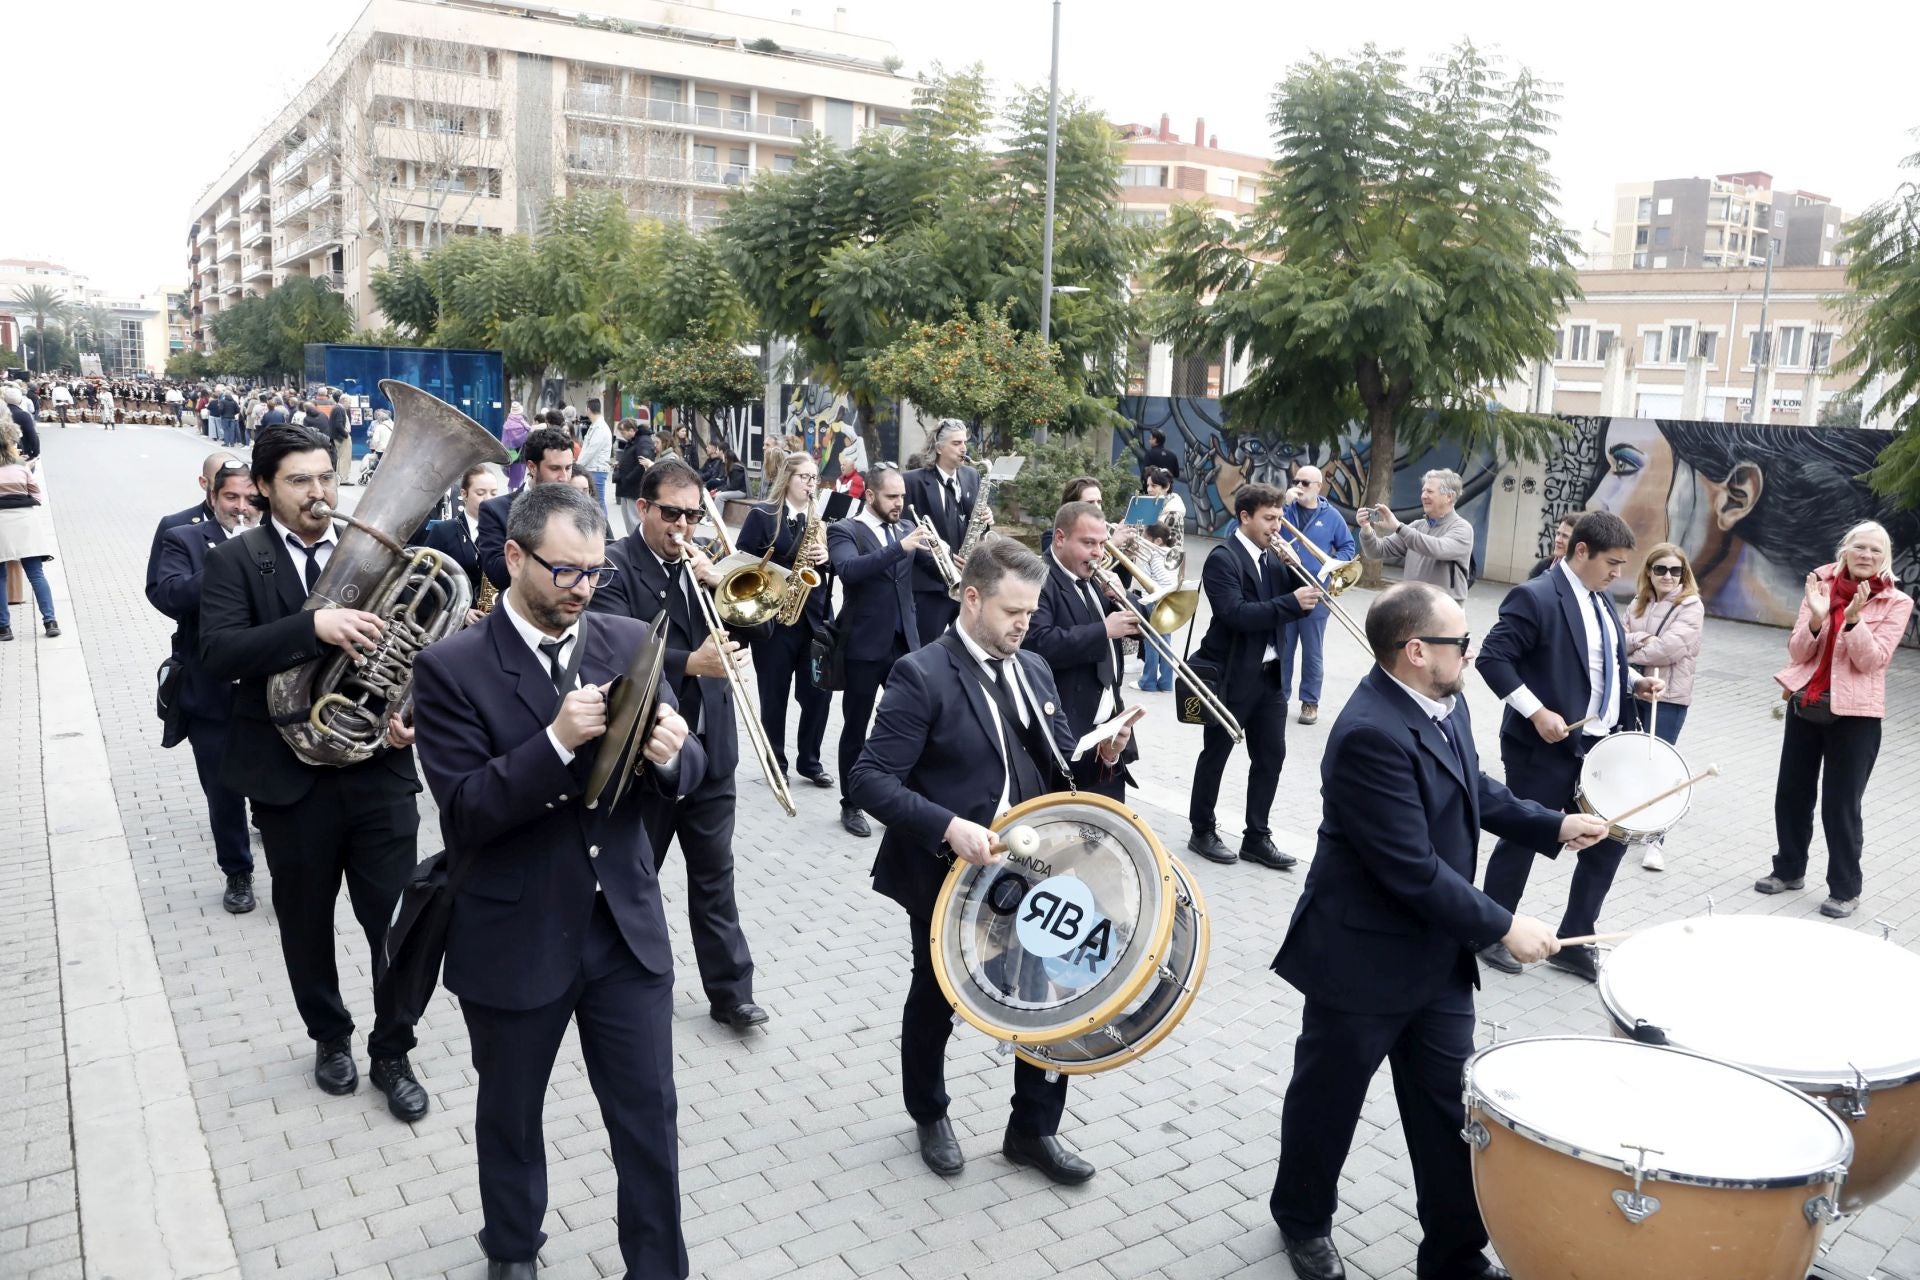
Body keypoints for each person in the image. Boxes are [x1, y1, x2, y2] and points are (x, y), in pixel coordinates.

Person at [1269, 581, 1605, 1280]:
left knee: (1451, 1117)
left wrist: (1553, 824)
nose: (1471, 653)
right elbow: (1410, 869)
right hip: (1359, 960)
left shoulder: (1445, 704)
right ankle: (1302, 1220)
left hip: (1435, 963)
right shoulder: (1368, 732)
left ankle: (1454, 1256)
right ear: (1417, 651)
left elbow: (1474, 787)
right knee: (1327, 1105)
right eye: (1460, 642)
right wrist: (1507, 924)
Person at [411, 483, 698, 1280]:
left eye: (593, 573)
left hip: (622, 933)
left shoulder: (625, 637)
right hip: (516, 930)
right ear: (512, 558)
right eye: (563, 572)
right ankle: (512, 1250)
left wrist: (677, 754)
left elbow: (690, 770)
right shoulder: (449, 668)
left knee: (649, 1117)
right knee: (510, 1113)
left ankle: (657, 1266)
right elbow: (466, 811)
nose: (580, 590)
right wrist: (555, 742)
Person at [848, 539, 1127, 1185]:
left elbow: (1062, 766)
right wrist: (948, 826)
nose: (1023, 624)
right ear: (971, 598)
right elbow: (869, 778)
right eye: (1012, 611)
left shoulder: (1032, 667)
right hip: (951, 873)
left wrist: (1104, 754)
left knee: (1054, 994)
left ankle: (1033, 1130)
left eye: (1030, 613)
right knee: (938, 995)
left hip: (1038, 866)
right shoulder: (920, 674)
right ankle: (930, 1113)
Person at [197, 425, 429, 1120]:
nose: (319, 492)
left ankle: (393, 1049)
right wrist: (315, 628)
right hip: (289, 781)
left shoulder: (384, 556)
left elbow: (422, 644)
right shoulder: (238, 561)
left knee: (396, 923)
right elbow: (218, 653)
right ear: (265, 488)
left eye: (326, 477)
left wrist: (411, 706)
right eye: (299, 480)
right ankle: (330, 1037)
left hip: (378, 769)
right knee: (304, 922)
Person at [590, 458, 769, 1030]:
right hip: (650, 754)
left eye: (692, 515)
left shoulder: (704, 565)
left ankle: (731, 992)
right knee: (635, 878)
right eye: (671, 514)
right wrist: (691, 662)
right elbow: (612, 647)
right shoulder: (614, 566)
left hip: (712, 749)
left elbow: (758, 629)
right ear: (642, 508)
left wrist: (722, 583)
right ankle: (617, 982)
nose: (683, 527)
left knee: (716, 876)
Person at [1475, 512, 1665, 984]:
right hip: (1542, 746)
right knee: (1525, 835)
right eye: (1613, 563)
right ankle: (1491, 932)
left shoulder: (1601, 598)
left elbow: (1603, 663)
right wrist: (1537, 712)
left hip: (1601, 749)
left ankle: (1576, 938)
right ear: (1581, 552)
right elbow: (1493, 658)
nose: (1619, 572)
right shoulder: (1536, 595)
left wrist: (1636, 682)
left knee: (1609, 843)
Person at [1584, 418, 1917, 628]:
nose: (1595, 501)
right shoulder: (1814, 601)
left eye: (1625, 465)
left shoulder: (1857, 602)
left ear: (1736, 496)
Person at [1758, 521, 1913, 918]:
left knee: (1841, 805)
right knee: (1791, 794)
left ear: (1885, 559)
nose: (1866, 555)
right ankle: (1788, 870)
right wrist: (1815, 618)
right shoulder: (1819, 584)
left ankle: (1845, 889)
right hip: (1807, 703)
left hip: (1856, 715)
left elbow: (1872, 661)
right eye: (1860, 547)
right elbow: (1797, 651)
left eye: (1876, 551)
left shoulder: (1896, 602)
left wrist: (1855, 622)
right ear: (1845, 549)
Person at [1186, 483, 1322, 868]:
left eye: (1280, 518)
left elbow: (1304, 605)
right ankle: (1202, 830)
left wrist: (1298, 568)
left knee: (1271, 756)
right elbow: (1236, 614)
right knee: (1216, 753)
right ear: (1245, 517)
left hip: (1269, 676)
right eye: (1269, 518)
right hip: (1231, 674)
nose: (1276, 526)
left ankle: (1257, 837)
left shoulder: (1275, 557)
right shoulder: (1223, 559)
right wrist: (1288, 602)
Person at [149, 461, 258, 911]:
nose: (240, 507)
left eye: (251, 500)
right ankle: (238, 872)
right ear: (213, 498)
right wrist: (228, 562)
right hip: (213, 692)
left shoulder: (276, 539)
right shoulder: (185, 538)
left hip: (269, 689)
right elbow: (166, 593)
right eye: (231, 497)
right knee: (223, 789)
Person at [827, 464, 927, 837]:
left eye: (902, 496)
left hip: (904, 644)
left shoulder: (905, 528)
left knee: (910, 722)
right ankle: (851, 803)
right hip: (864, 646)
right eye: (892, 496)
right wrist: (898, 547)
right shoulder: (845, 530)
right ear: (870, 496)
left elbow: (929, 571)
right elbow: (849, 570)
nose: (900, 503)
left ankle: (897, 798)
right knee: (855, 725)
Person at [1025, 501, 1141, 799]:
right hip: (1069, 730)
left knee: (1108, 828)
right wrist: (1104, 630)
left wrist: (1124, 596)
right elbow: (1037, 644)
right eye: (1088, 543)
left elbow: (1145, 627)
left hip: (1109, 731)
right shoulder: (1038, 578)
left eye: (1102, 543)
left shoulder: (1094, 578)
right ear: (1060, 538)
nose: (1098, 553)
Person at [735, 451, 834, 789]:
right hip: (776, 622)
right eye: (804, 477)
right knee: (773, 697)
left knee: (818, 696)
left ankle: (810, 761)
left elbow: (832, 571)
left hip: (813, 621)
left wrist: (827, 556)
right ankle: (775, 762)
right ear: (787, 479)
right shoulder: (763, 515)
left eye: (814, 477)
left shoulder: (819, 519)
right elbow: (742, 564)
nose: (811, 483)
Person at [1621, 542, 1705, 872]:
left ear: (1684, 574)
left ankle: (1656, 840)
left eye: (1675, 570)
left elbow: (1669, 649)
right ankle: (1625, 825)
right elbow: (1617, 636)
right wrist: (1643, 643)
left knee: (1659, 765)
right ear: (1649, 572)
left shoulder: (1691, 605)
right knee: (1629, 757)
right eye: (1660, 569)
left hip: (1667, 696)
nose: (1668, 576)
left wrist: (1633, 646)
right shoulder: (1638, 603)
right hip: (1631, 690)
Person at [1279, 466, 1357, 726]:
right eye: (1296, 481)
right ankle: (1279, 698)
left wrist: (1332, 563)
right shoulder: (1283, 510)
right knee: (1284, 648)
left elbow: (1348, 547)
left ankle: (1310, 702)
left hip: (1316, 590)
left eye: (1306, 482)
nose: (1299, 486)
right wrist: (1282, 503)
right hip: (1285, 588)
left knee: (1312, 652)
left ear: (1318, 487)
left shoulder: (1332, 516)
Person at [478, 427, 583, 594]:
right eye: (555, 469)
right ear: (532, 467)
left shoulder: (583, 507)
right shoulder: (495, 510)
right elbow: (498, 575)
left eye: (568, 468)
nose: (564, 477)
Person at [903, 419, 980, 643]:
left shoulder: (971, 476)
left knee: (969, 646)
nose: (963, 448)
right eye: (956, 443)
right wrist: (942, 564)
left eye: (964, 442)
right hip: (929, 586)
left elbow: (972, 521)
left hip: (965, 582)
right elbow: (907, 531)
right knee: (926, 649)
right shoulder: (912, 480)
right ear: (938, 447)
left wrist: (985, 521)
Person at [1356, 468, 1474, 602]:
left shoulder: (1462, 528)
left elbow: (1437, 548)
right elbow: (1376, 550)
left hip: (1444, 610)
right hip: (1411, 607)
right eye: (1423, 491)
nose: (1423, 496)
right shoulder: (1417, 526)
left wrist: (1398, 527)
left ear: (1449, 497)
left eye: (1429, 491)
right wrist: (1366, 529)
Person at [0, 422, 59, 641]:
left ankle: (4, 627)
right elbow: (36, 495)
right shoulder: (20, 466)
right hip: (25, 522)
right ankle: (50, 620)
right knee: (36, 574)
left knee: (0, 577)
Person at [424, 462, 505, 604]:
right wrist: (460, 610)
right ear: (463, 494)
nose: (489, 499)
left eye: (493, 493)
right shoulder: (443, 531)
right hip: (452, 618)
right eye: (480, 493)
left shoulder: (504, 532)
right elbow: (426, 581)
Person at [1132, 523, 1180, 693]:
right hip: (1169, 600)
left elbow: (1153, 578)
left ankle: (1148, 682)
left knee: (1151, 643)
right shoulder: (1172, 554)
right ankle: (1166, 683)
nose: (1143, 541)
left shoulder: (1154, 555)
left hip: (1154, 600)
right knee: (1165, 642)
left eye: (1146, 538)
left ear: (1158, 541)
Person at [578, 396, 613, 516]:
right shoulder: (596, 426)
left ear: (588, 409)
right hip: (593, 469)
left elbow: (590, 451)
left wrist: (577, 466)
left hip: (596, 470)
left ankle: (605, 531)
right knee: (595, 502)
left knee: (598, 502)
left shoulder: (600, 428)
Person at [1529, 512, 1580, 579]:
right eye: (1558, 534)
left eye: (1565, 536)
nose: (1558, 540)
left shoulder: (1583, 576)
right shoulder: (1544, 565)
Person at [2, 385, 40, 463]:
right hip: (20, 452)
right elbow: (32, 435)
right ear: (20, 401)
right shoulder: (23, 415)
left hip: (3, 452)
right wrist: (35, 452)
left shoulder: (2, 412)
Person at [500, 401, 531, 490]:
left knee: (511, 475)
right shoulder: (524, 425)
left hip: (511, 452)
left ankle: (510, 494)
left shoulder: (506, 425)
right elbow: (527, 435)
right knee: (520, 475)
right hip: (521, 452)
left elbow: (504, 440)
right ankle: (518, 494)